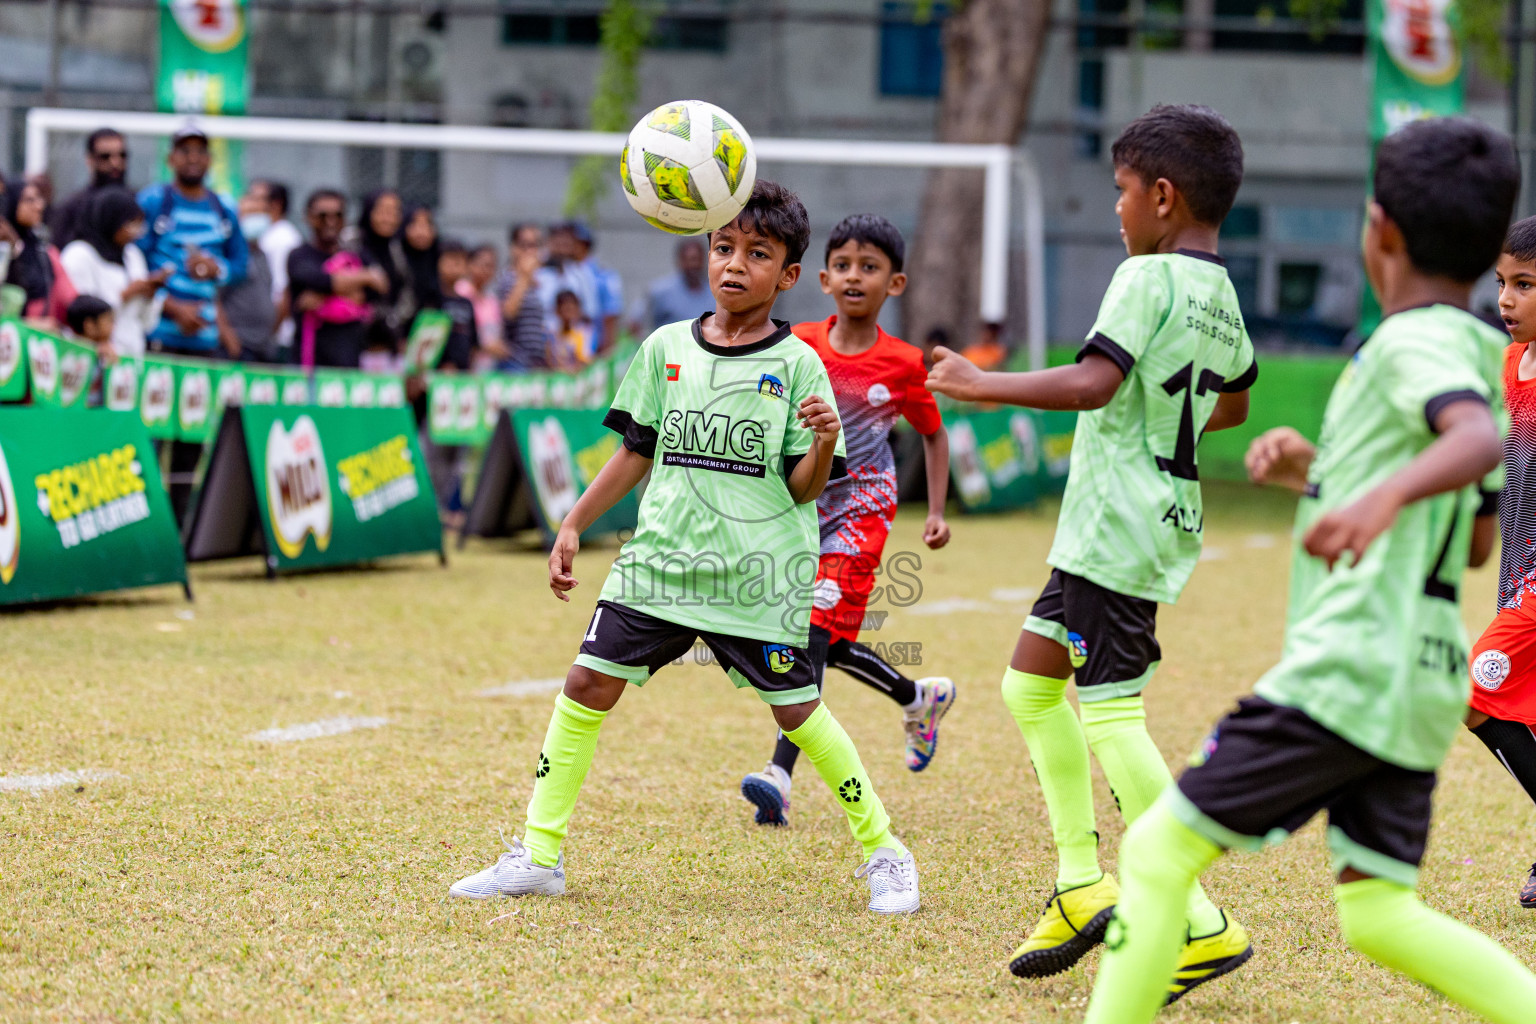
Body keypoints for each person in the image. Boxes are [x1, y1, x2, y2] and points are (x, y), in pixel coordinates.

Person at [1082, 116, 1536, 1024]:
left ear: (1382, 232)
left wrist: (1377, 499)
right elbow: (1473, 540)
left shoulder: (1413, 345)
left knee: (1155, 852)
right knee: (1380, 915)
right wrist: (1324, 477)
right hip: (1418, 680)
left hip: (1351, 671)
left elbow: (1472, 444)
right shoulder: (1480, 360)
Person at [448, 180, 921, 915]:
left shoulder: (798, 364)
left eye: (757, 253)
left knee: (798, 711)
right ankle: (539, 856)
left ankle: (886, 851)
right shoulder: (665, 347)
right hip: (659, 566)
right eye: (724, 247)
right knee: (586, 683)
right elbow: (635, 451)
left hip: (755, 575)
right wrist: (572, 522)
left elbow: (803, 489)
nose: (735, 264)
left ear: (789, 275)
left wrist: (826, 441)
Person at [926, 104, 1256, 994]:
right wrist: (1164, 422)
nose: (1116, 209)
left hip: (1116, 524)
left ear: (1162, 196)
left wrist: (981, 384)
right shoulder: (1221, 294)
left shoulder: (1143, 278)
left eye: (1121, 191)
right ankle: (1081, 884)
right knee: (1030, 687)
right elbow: (1231, 404)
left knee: (1111, 714)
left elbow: (1093, 382)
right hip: (1150, 519)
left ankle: (1202, 921)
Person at [740, 214, 955, 830]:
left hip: (864, 506)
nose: (854, 276)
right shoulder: (800, 342)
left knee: (812, 628)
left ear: (896, 283)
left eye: (869, 266)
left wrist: (935, 510)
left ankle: (779, 775)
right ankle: (917, 697)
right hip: (805, 503)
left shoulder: (904, 363)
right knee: (822, 639)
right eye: (842, 265)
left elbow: (934, 435)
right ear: (823, 279)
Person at [1465, 215, 1536, 909]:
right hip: (1517, 571)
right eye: (1502, 283)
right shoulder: (1512, 363)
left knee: (1472, 695)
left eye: (1526, 285)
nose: (1506, 300)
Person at [136, 123, 248, 359]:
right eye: (185, 151)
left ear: (210, 160)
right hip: (158, 334)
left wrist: (217, 269)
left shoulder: (224, 208)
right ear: (170, 159)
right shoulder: (153, 201)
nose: (193, 158)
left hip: (205, 338)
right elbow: (134, 263)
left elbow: (240, 264)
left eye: (200, 152)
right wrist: (174, 308)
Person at [287, 189, 389, 369]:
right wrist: (364, 278)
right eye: (322, 216)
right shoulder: (299, 256)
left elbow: (381, 285)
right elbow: (320, 280)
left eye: (338, 215)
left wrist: (325, 296)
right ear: (308, 217)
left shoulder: (358, 253)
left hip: (350, 360)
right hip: (308, 361)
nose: (331, 222)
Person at [60, 187, 165, 360]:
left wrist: (149, 296)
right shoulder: (78, 255)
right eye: (130, 225)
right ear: (110, 220)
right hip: (92, 357)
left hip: (131, 358)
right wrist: (126, 294)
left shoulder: (132, 255)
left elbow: (147, 324)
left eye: (139, 225)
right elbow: (79, 315)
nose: (135, 233)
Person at [424, 239, 481, 523]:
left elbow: (473, 344)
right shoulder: (432, 298)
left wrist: (468, 372)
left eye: (460, 262)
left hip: (461, 387)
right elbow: (423, 338)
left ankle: (449, 507)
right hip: (435, 387)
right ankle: (432, 507)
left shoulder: (466, 304)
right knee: (433, 450)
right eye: (450, 261)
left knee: (457, 452)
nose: (455, 267)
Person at [218, 190, 279, 361]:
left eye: (262, 213)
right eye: (251, 213)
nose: (257, 218)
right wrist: (227, 336)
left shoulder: (263, 255)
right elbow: (214, 298)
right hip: (237, 346)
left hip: (262, 346)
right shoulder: (231, 255)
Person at [247, 180, 302, 356]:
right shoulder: (265, 234)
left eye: (256, 199)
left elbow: (283, 293)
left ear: (276, 204)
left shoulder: (283, 239)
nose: (250, 203)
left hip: (276, 339)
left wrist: (267, 336)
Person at [50, 128, 128, 250]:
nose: (115, 162)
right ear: (90, 159)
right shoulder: (72, 208)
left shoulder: (138, 202)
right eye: (105, 156)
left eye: (122, 155)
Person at [356, 189, 412, 355]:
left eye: (394, 212)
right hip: (354, 336)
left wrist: (395, 321)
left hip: (390, 341)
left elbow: (406, 291)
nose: (388, 218)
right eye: (382, 211)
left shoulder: (398, 248)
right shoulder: (352, 242)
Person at [494, 222, 549, 370]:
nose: (530, 251)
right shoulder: (508, 278)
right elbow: (508, 314)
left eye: (534, 245)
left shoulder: (538, 282)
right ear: (513, 248)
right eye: (524, 245)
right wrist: (523, 277)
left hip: (536, 363)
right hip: (515, 362)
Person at [6, 177, 60, 321]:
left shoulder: (38, 246)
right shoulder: (5, 246)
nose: (39, 206)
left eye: (39, 199)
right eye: (29, 200)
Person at [647, 238, 714, 331]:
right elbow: (638, 323)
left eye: (697, 259)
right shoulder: (660, 291)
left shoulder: (715, 292)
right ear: (680, 260)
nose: (694, 265)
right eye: (690, 259)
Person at [457, 244, 504, 360]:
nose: (486, 270)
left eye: (491, 266)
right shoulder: (460, 291)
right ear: (470, 264)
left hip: (487, 363)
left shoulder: (492, 299)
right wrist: (483, 345)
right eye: (482, 264)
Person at [548, 289, 593, 371]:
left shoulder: (583, 333)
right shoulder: (552, 336)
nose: (568, 314)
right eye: (566, 310)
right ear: (557, 311)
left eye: (571, 309)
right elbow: (550, 361)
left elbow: (585, 360)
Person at [64, 293, 114, 359]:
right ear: (89, 326)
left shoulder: (104, 352)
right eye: (109, 321)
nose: (113, 327)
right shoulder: (64, 349)